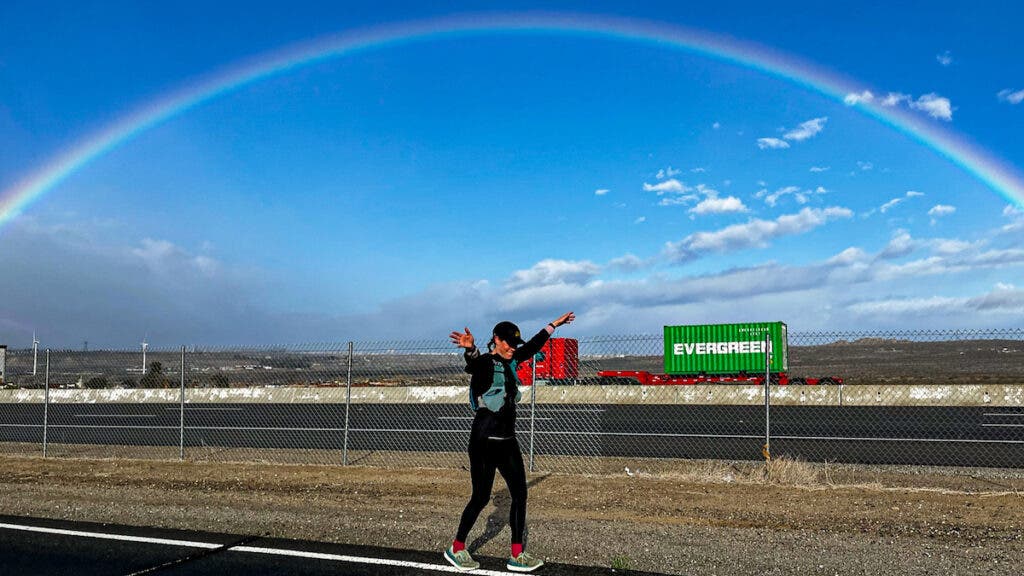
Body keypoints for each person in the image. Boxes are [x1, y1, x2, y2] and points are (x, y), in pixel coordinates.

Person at [444, 312, 575, 572]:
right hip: (484, 441)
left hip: (507, 441)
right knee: (481, 497)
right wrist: (470, 349)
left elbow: (533, 346)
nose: (512, 349)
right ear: (496, 339)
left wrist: (553, 325)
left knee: (520, 494)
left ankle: (517, 554)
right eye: (507, 344)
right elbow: (474, 365)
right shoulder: (485, 363)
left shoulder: (513, 358)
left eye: (514, 345)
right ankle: (457, 547)